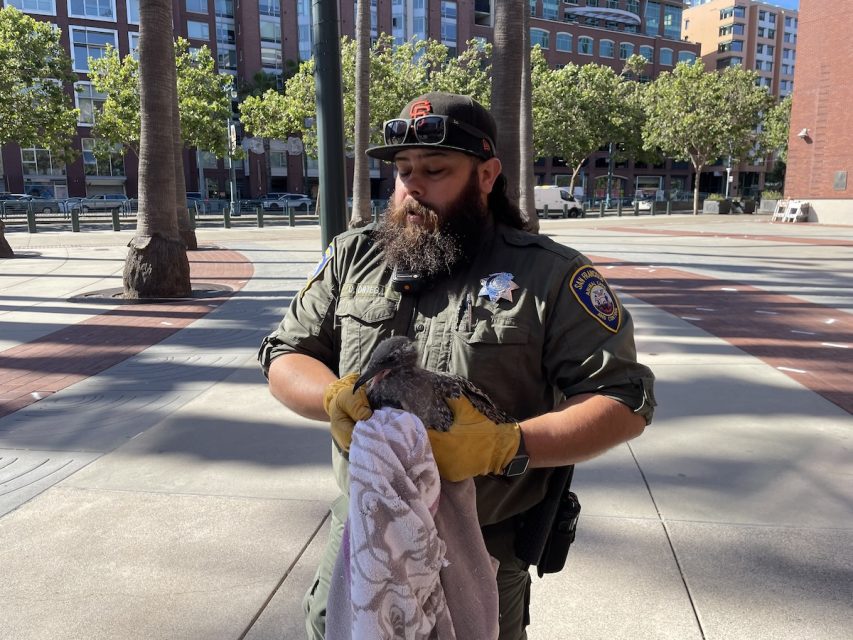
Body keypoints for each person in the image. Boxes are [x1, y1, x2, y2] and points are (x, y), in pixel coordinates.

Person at [258, 92, 655, 640]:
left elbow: (623, 399)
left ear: (487, 175)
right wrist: (333, 397)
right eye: (401, 171)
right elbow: (285, 354)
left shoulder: (551, 277)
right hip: (362, 525)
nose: (411, 187)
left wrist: (507, 445)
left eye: (435, 170)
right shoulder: (355, 258)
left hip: (487, 537)